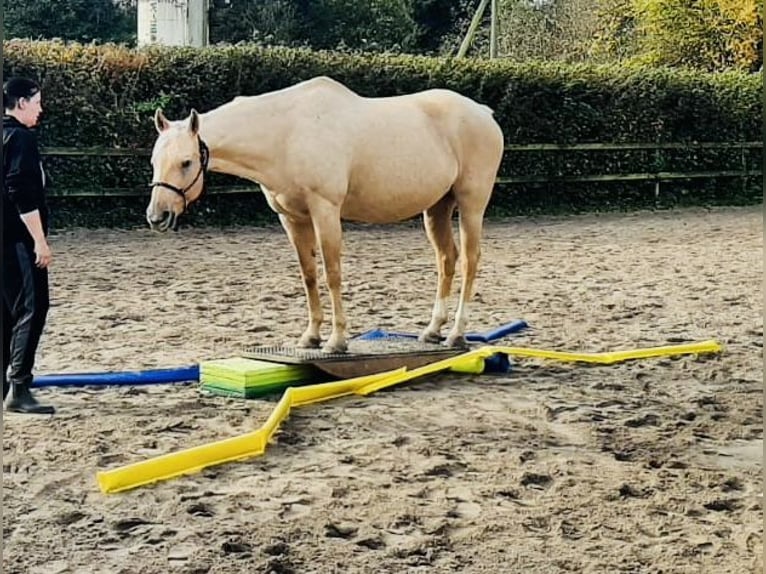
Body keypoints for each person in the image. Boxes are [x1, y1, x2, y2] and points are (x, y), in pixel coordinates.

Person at [3, 77, 55, 414]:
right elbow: (20, 190)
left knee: (7, 311)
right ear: (21, 102)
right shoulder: (20, 138)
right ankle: (19, 387)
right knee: (32, 309)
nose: (40, 109)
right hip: (17, 238)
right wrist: (39, 240)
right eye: (36, 102)